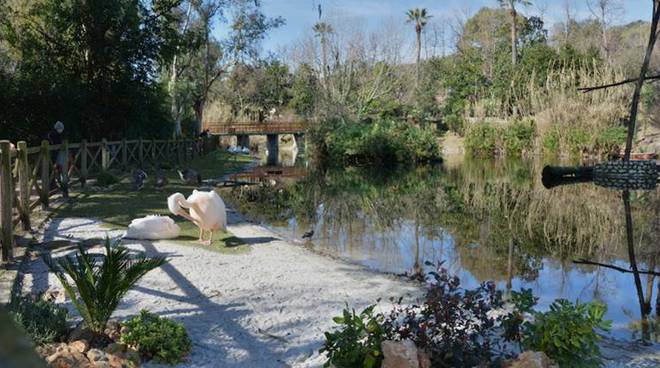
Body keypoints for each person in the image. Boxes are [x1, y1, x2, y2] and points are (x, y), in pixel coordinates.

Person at [47, 121, 69, 197]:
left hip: (55, 154)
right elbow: (56, 144)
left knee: (56, 171)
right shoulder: (53, 134)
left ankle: (55, 186)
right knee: (55, 170)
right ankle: (55, 187)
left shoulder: (54, 134)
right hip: (54, 154)